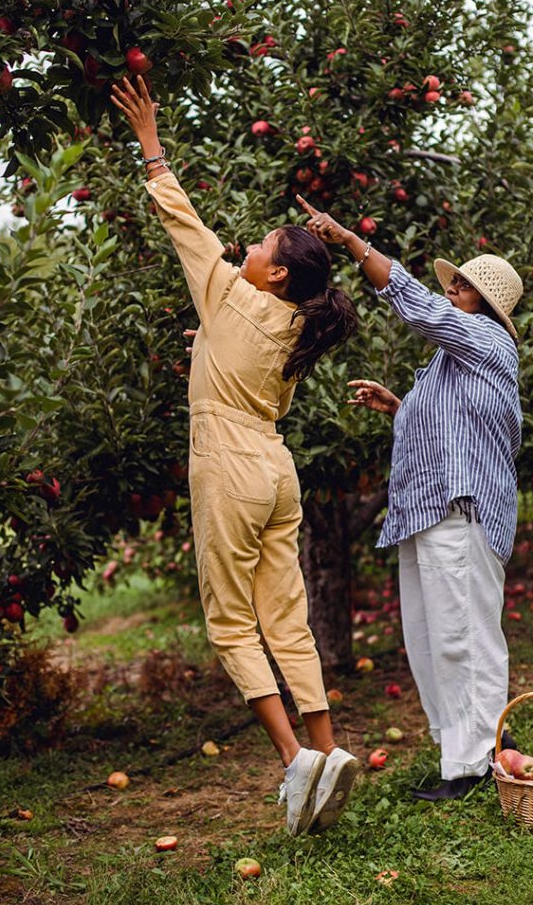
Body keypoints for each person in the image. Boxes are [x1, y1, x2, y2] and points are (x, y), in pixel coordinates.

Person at [111, 75, 360, 835]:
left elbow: (183, 222)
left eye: (259, 247)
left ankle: (292, 763)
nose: (243, 248)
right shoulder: (296, 329)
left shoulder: (226, 292)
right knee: (287, 620)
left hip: (226, 464)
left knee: (229, 624)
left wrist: (151, 144)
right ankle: (327, 750)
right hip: (275, 470)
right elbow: (246, 366)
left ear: (276, 271)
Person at [298, 193, 523, 801]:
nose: (453, 290)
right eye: (456, 284)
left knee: (464, 636)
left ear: (486, 304)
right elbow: (451, 431)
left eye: (464, 286)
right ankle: (461, 755)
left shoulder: (486, 341)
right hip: (426, 513)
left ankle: (477, 763)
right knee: (429, 638)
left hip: (460, 510)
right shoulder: (451, 364)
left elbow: (420, 309)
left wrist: (350, 241)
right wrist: (399, 406)